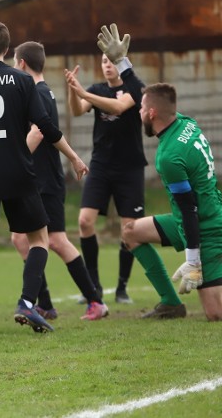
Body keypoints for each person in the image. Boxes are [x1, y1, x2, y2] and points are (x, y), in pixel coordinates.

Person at [0, 21, 88, 336]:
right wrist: (74, 156)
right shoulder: (23, 81)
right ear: (7, 50)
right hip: (19, 173)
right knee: (40, 239)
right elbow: (46, 127)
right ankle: (26, 302)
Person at [122, 83, 222, 320]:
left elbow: (189, 209)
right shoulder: (185, 122)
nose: (139, 111)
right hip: (188, 220)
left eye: (142, 108)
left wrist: (192, 261)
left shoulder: (169, 158)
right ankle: (170, 303)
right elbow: (157, 96)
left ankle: (192, 279)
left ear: (152, 113)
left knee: (218, 313)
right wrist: (123, 65)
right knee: (131, 232)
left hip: (208, 227)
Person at [9, 42, 108, 321]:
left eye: (16, 63)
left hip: (46, 182)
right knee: (21, 239)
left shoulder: (37, 93)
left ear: (23, 64)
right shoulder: (41, 92)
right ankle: (45, 304)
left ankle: (95, 301)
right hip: (36, 181)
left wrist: (12, 160)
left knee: (56, 241)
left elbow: (39, 133)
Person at [65, 23, 147, 304]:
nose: (108, 65)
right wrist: (73, 90)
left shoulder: (133, 89)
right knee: (85, 222)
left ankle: (122, 288)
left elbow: (117, 107)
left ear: (121, 62)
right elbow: (77, 111)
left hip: (130, 167)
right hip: (100, 165)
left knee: (130, 229)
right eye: (104, 60)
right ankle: (95, 286)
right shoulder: (96, 89)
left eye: (112, 60)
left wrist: (84, 94)